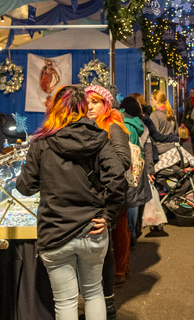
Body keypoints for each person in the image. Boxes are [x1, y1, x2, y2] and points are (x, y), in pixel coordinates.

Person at [17, 85, 126, 320]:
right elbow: (118, 178)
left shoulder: (41, 143)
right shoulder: (99, 138)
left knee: (65, 301)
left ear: (56, 109)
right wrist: (109, 215)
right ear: (83, 109)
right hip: (93, 229)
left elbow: (25, 187)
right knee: (94, 292)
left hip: (55, 231)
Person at [85, 85, 132, 315]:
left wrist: (95, 170)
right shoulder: (88, 127)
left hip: (109, 195)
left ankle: (109, 301)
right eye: (88, 102)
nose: (90, 107)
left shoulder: (113, 128)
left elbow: (123, 161)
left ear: (106, 105)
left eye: (95, 102)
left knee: (106, 247)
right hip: (92, 196)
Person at [119, 97, 155, 247]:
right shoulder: (140, 126)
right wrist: (149, 169)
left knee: (127, 201)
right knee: (134, 202)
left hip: (126, 167)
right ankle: (133, 232)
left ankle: (128, 233)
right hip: (138, 167)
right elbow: (147, 149)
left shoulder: (121, 124)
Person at [150, 90, 178, 155]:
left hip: (160, 149)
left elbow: (155, 136)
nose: (150, 101)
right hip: (172, 148)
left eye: (152, 100)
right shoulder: (171, 113)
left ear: (157, 100)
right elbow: (176, 132)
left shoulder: (154, 115)